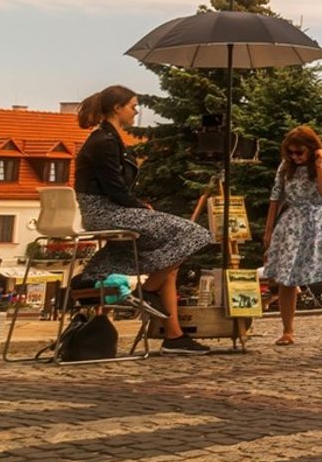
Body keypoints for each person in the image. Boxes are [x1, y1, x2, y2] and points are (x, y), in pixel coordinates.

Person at [72, 85, 215, 354]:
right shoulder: (103, 141)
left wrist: (140, 207)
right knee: (195, 234)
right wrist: (141, 208)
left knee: (170, 269)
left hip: (111, 209)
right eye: (133, 106)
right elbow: (114, 188)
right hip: (104, 212)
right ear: (117, 108)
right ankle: (147, 290)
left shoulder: (109, 138)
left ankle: (174, 337)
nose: (136, 111)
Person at [260, 127, 322, 347]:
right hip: (292, 224)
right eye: (291, 153)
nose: (295, 157)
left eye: (299, 152)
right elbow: (275, 197)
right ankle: (288, 331)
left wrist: (318, 166)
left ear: (312, 148)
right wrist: (268, 231)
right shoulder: (285, 167)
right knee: (287, 280)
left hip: (321, 222)